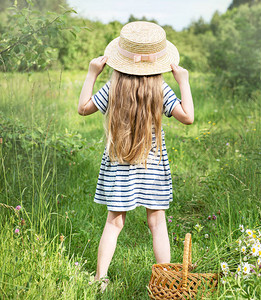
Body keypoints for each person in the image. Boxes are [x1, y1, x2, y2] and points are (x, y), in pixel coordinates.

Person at [77, 21, 194, 291]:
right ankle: (165, 279)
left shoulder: (113, 88)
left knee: (114, 221)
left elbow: (83, 108)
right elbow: (187, 117)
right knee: (157, 222)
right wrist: (183, 81)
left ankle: (100, 278)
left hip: (118, 163)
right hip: (151, 164)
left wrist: (92, 73)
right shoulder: (160, 89)